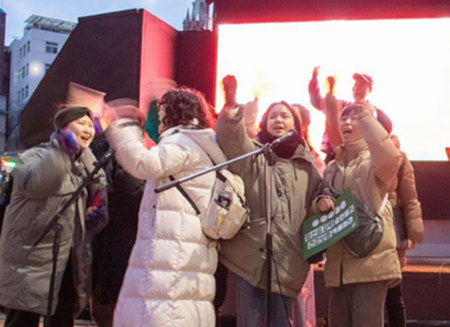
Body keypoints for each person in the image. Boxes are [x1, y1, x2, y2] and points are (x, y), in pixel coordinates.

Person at [104, 89, 226, 327]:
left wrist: (123, 127)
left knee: (164, 312)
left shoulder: (183, 141)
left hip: (172, 248)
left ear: (174, 112)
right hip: (184, 246)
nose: (158, 119)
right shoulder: (202, 143)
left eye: (161, 112)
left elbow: (143, 163)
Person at [216, 75, 324, 327]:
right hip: (252, 259)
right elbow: (232, 139)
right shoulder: (253, 155)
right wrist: (232, 102)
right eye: (273, 116)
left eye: (285, 116)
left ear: (295, 124)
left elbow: (319, 197)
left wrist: (323, 202)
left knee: (281, 323)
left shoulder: (307, 164)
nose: (278, 120)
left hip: (289, 259)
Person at [0, 106, 108, 327]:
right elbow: (37, 185)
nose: (88, 128)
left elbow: (97, 219)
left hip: (69, 260)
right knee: (23, 319)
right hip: (31, 259)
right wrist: (64, 150)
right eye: (81, 123)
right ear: (63, 129)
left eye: (90, 125)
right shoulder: (35, 156)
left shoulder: (87, 167)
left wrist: (91, 165)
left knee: (62, 318)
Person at [316, 102, 402, 327]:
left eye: (355, 118)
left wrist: (367, 117)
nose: (346, 121)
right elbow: (323, 195)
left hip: (370, 263)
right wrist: (321, 202)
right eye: (343, 117)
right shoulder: (332, 167)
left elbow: (391, 157)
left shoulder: (375, 160)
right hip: (338, 267)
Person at [89, 127, 145, 327]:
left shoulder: (100, 152)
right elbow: (136, 195)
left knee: (106, 295)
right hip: (120, 238)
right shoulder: (123, 158)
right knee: (113, 296)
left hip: (108, 238)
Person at [308, 67, 392, 161]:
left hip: (361, 158)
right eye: (355, 85)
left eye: (361, 84)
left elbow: (384, 134)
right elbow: (316, 101)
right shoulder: (342, 105)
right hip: (335, 155)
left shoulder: (377, 114)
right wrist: (314, 78)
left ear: (370, 89)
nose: (357, 88)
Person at [385, 134, 424, 327]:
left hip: (392, 234)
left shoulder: (399, 157)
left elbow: (410, 198)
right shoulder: (358, 156)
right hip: (364, 236)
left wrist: (414, 232)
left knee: (393, 296)